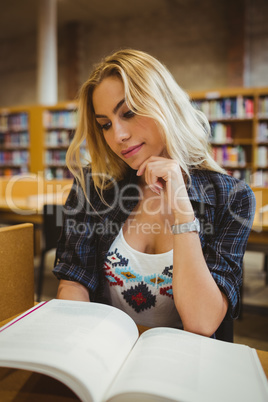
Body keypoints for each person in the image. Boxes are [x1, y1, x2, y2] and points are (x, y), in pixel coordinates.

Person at [53, 49, 256, 337]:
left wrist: (182, 211)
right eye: (105, 125)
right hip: (105, 351)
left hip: (183, 364)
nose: (118, 136)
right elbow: (74, 281)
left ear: (164, 104)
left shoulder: (233, 198)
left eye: (129, 112)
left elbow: (202, 322)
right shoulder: (93, 186)